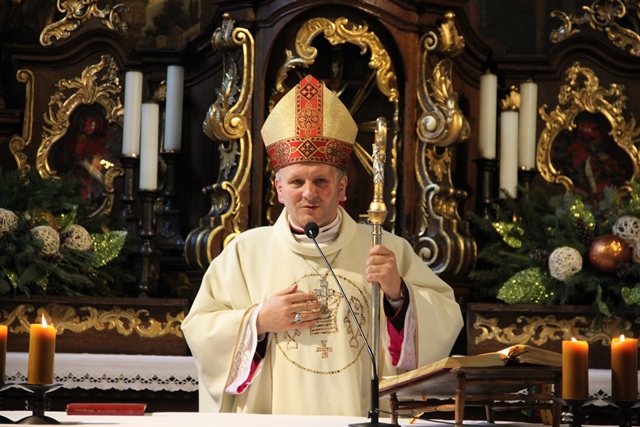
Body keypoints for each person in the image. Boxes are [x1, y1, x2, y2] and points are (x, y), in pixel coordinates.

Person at [181, 75, 463, 417]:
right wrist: (258, 321)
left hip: (358, 415)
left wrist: (397, 294)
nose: (309, 193)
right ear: (279, 189)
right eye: (296, 181)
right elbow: (200, 329)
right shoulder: (244, 253)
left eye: (321, 181)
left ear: (342, 188)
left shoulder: (385, 250)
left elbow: (445, 319)